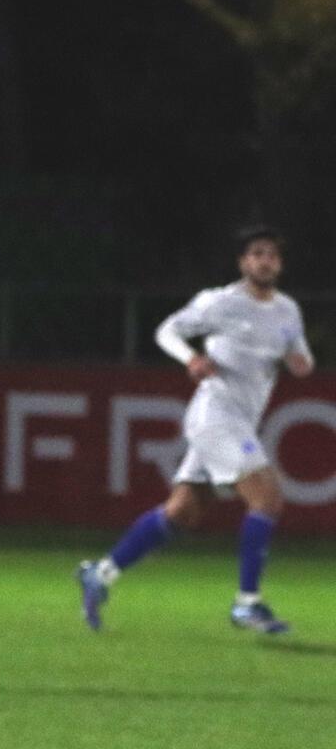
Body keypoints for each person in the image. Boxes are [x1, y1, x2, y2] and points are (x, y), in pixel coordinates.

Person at [79, 225, 313, 633]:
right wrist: (190, 358)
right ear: (243, 262)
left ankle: (100, 574)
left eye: (272, 254)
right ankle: (247, 604)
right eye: (256, 253)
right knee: (268, 497)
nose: (265, 260)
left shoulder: (288, 311)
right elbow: (166, 330)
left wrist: (301, 363)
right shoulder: (220, 302)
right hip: (215, 416)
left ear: (280, 263)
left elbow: (299, 353)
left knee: (182, 513)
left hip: (242, 421)